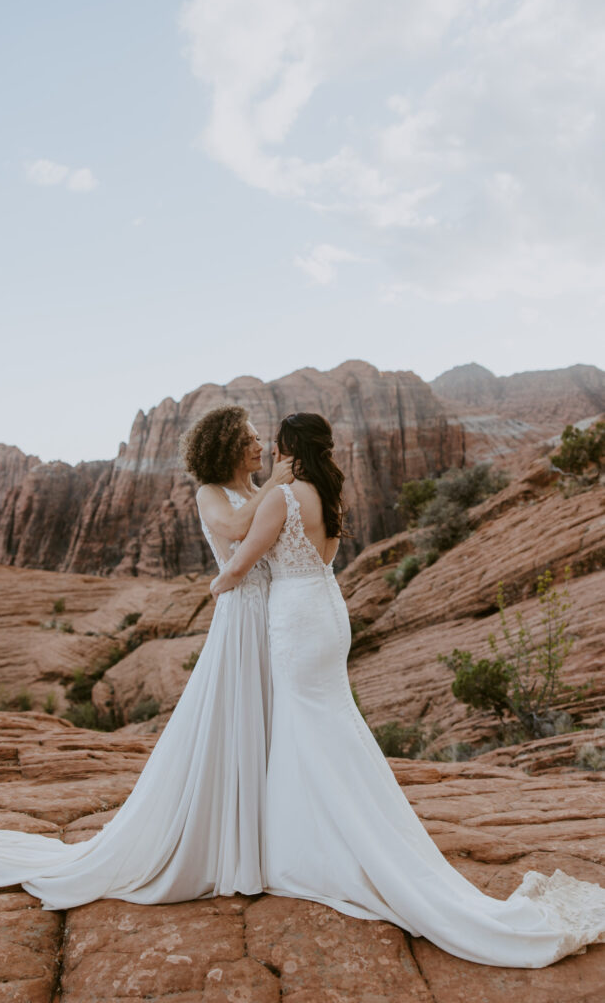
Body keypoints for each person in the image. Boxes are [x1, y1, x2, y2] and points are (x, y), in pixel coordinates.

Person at [210, 411, 605, 968]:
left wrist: (219, 583)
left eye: (276, 443)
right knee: (329, 720)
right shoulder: (325, 490)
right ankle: (337, 834)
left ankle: (317, 851)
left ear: (290, 447)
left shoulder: (281, 498)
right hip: (326, 610)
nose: (270, 451)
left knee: (305, 724)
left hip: (296, 618)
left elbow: (244, 559)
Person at [0, 405, 291, 909]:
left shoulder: (256, 490)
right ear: (226, 446)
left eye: (258, 436)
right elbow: (230, 530)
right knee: (238, 717)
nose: (259, 443)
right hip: (242, 619)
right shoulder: (212, 494)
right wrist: (277, 485)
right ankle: (227, 848)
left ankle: (262, 840)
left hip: (270, 616)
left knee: (265, 720)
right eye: (248, 437)